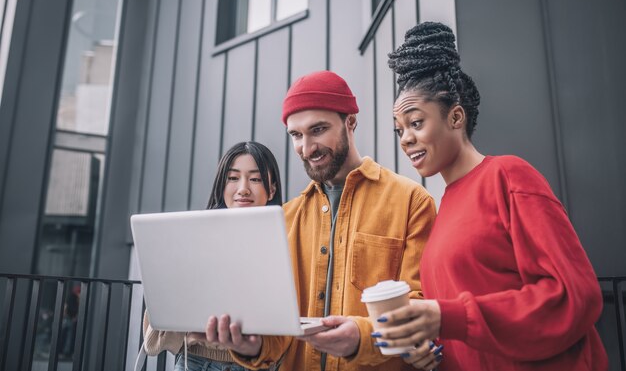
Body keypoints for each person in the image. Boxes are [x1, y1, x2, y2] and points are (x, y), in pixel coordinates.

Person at [374, 21, 609, 370]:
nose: (406, 138)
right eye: (399, 130)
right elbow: (463, 326)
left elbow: (575, 296)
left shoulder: (508, 176)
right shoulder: (443, 210)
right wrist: (431, 349)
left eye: (416, 122)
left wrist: (447, 317)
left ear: (456, 117)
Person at [203, 70, 439, 371]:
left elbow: (419, 308)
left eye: (318, 130)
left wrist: (361, 337)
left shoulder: (411, 202)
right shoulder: (285, 219)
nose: (306, 147)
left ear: (350, 121)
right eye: (296, 135)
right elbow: (278, 331)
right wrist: (253, 346)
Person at [142, 141, 283, 371]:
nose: (243, 188)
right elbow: (162, 315)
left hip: (258, 365)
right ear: (221, 185)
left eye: (255, 179)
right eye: (233, 178)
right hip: (194, 362)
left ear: (272, 189)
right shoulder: (194, 237)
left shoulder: (288, 240)